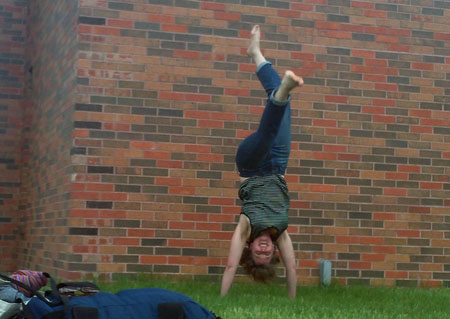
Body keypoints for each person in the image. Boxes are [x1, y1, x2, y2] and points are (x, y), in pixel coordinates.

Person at [220, 25, 303, 298]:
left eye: (259, 253)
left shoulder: (246, 226)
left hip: (251, 164)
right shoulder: (280, 231)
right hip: (278, 163)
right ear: (274, 251)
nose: (264, 249)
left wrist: (221, 301)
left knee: (268, 131)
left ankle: (285, 91)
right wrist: (293, 303)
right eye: (268, 254)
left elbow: (231, 265)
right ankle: (256, 54)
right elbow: (292, 266)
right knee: (280, 105)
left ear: (251, 247)